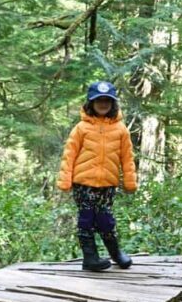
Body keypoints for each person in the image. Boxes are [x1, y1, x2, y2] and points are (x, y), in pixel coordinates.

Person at [57, 81, 137, 271]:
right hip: (83, 183)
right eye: (98, 100)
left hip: (107, 184)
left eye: (107, 101)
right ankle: (90, 258)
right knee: (86, 219)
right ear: (90, 103)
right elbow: (69, 155)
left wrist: (130, 181)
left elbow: (127, 158)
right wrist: (65, 180)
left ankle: (115, 253)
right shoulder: (81, 128)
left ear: (113, 104)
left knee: (105, 220)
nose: (102, 104)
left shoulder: (121, 129)